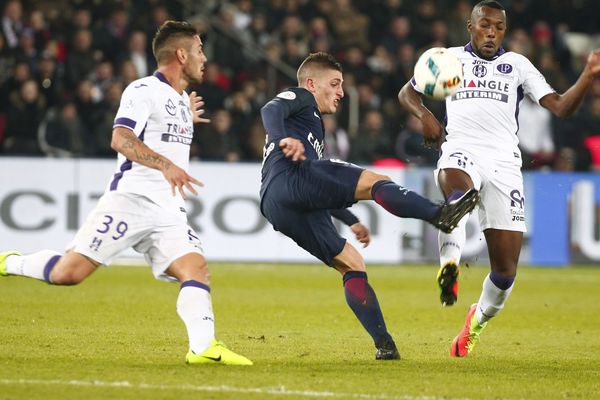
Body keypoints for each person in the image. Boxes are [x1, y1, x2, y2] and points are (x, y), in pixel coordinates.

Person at [0, 21, 252, 366]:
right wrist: (165, 166)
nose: (204, 58)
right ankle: (10, 262)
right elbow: (120, 139)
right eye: (199, 50)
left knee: (195, 269)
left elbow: (161, 131)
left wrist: (185, 117)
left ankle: (203, 348)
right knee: (67, 274)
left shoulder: (179, 99)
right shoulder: (142, 89)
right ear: (181, 54)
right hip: (130, 201)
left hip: (168, 210)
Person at [398, 0, 600, 357]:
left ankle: (475, 323)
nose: (491, 32)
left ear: (504, 31)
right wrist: (426, 115)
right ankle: (450, 265)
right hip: (462, 149)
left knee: (505, 274)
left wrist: (587, 76)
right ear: (470, 26)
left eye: (499, 27)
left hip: (505, 164)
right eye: (484, 25)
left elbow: (562, 108)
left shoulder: (518, 66)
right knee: (458, 197)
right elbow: (407, 92)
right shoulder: (448, 59)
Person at [259, 52, 480, 360]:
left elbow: (315, 190)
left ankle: (384, 344)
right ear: (311, 84)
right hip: (293, 176)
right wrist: (283, 138)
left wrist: (350, 219)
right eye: (335, 84)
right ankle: (440, 215)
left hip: (276, 203)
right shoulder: (300, 98)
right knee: (376, 181)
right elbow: (270, 108)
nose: (341, 93)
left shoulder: (310, 126)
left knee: (351, 262)